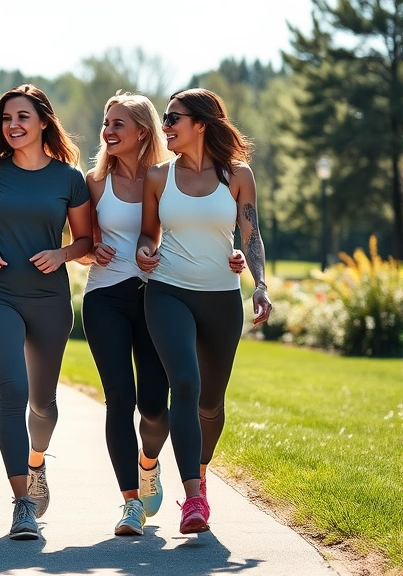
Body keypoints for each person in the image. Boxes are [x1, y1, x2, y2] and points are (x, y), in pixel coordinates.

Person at [80, 92, 245, 536]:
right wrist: (90, 251)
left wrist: (237, 259)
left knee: (155, 409)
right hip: (108, 296)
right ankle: (131, 503)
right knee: (120, 399)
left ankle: (149, 462)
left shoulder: (166, 176)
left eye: (117, 123)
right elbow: (84, 240)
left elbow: (206, 225)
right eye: (105, 123)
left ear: (141, 131)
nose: (107, 131)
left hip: (155, 295)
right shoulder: (94, 182)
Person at [0, 84, 93, 540]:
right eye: (6, 119)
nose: (12, 126)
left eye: (22, 117)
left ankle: (37, 463)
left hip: (50, 300)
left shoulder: (68, 178)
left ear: (43, 122)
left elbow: (86, 240)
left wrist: (62, 254)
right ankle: (22, 504)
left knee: (43, 402)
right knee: (13, 392)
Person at [136, 88, 272, 534]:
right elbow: (149, 235)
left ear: (200, 124)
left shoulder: (237, 175)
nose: (165, 126)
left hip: (221, 298)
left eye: (173, 118)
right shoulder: (158, 177)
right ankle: (193, 498)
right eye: (164, 118)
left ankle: (200, 472)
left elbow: (250, 234)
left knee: (210, 405)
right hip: (167, 292)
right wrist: (144, 252)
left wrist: (259, 284)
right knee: (185, 384)